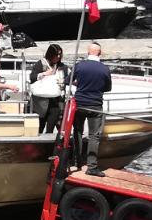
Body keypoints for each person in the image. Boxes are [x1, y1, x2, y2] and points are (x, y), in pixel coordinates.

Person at [70, 41, 112, 171]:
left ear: (88, 52)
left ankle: (77, 163)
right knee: (94, 136)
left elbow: (68, 80)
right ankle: (91, 166)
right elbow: (108, 88)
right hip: (95, 105)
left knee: (77, 132)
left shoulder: (80, 65)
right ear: (100, 53)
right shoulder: (104, 69)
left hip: (80, 104)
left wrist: (79, 84)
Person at [28, 44, 69, 134]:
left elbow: (67, 80)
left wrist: (63, 82)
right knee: (39, 128)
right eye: (56, 54)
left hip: (56, 103)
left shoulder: (62, 67)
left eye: (60, 55)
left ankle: (48, 147)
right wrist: (44, 74)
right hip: (40, 103)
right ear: (50, 54)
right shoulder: (41, 64)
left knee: (50, 129)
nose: (58, 57)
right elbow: (32, 77)